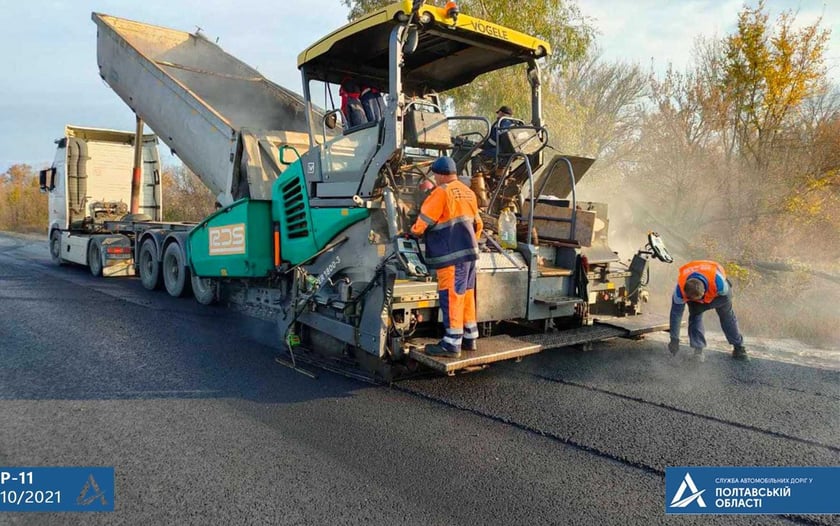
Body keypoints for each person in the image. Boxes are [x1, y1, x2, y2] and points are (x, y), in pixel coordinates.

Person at [411, 156, 484, 358]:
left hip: (451, 256)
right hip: (469, 254)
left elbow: (422, 222)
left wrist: (413, 231)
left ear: (440, 175)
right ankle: (470, 338)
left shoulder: (441, 192)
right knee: (467, 294)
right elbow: (479, 225)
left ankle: (451, 344)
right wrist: (469, 244)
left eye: (435, 175)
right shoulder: (469, 193)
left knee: (451, 296)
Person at [668, 260, 748, 362]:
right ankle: (698, 351)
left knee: (726, 315)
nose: (700, 302)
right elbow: (676, 314)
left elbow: (728, 297)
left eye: (700, 298)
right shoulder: (679, 291)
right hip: (697, 278)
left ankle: (739, 348)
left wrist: (706, 306)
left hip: (719, 294)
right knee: (694, 316)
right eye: (694, 299)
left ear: (704, 292)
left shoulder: (719, 284)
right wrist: (674, 339)